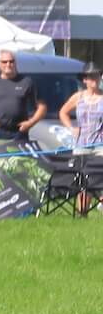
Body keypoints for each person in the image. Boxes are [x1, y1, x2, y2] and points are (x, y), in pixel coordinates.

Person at [58, 66, 103, 216]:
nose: (94, 80)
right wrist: (71, 127)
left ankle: (99, 202)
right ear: (85, 80)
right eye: (91, 77)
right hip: (81, 144)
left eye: (97, 76)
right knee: (83, 179)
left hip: (100, 145)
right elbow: (63, 112)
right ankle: (82, 212)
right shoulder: (78, 97)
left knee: (98, 177)